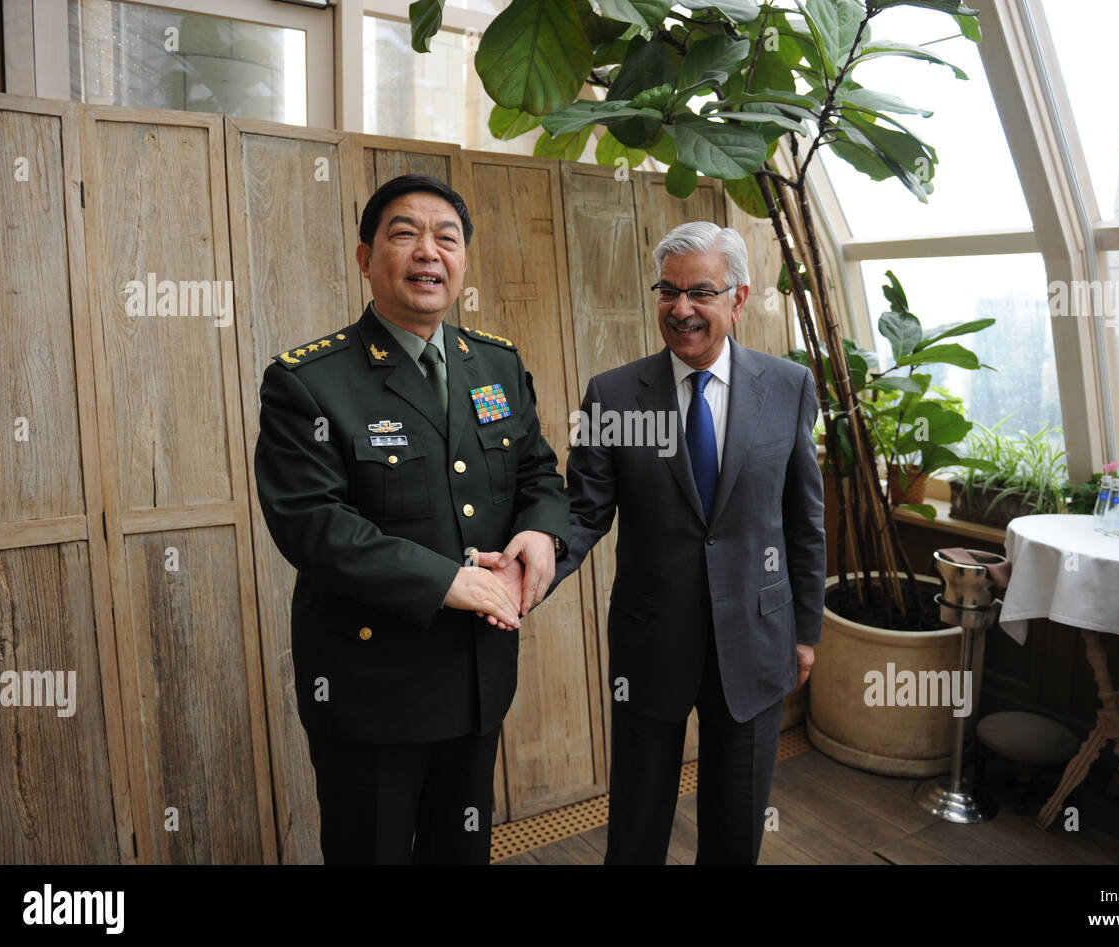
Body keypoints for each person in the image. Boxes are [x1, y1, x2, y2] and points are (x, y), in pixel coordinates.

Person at [254, 173, 569, 864]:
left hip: (479, 675)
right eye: (405, 234)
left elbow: (538, 472)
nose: (429, 252)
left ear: (462, 262)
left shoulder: (495, 363)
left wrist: (541, 534)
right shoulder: (308, 380)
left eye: (447, 238)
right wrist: (446, 583)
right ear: (366, 258)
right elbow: (309, 520)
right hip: (372, 689)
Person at [551, 221, 826, 865]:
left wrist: (805, 629)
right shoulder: (614, 394)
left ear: (738, 298)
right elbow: (582, 512)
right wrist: (525, 571)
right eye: (668, 292)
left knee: (736, 825)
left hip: (756, 639)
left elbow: (803, 520)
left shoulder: (789, 387)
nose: (680, 310)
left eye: (700, 293)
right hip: (652, 639)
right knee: (639, 816)